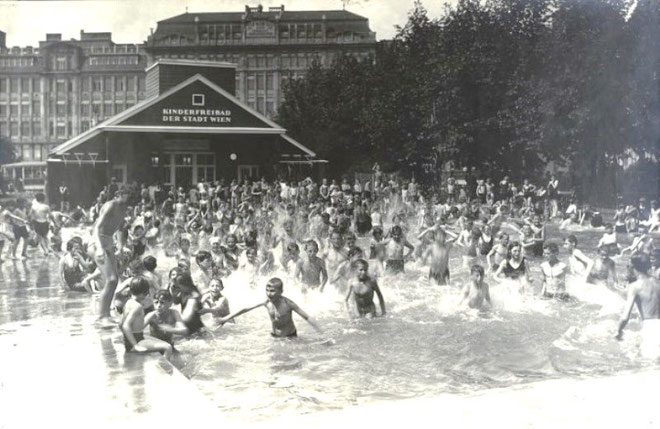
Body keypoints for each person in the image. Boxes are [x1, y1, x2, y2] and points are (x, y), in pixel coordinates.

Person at [218, 277, 322, 338]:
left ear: (281, 291)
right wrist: (225, 319)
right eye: (267, 290)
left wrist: (321, 333)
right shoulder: (266, 302)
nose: (269, 293)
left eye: (272, 291)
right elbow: (245, 309)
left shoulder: (288, 303)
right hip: (275, 336)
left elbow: (307, 317)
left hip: (290, 337)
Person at [92, 186, 130, 325]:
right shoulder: (111, 205)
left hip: (108, 241)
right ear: (118, 194)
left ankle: (106, 314)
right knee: (112, 280)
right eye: (126, 194)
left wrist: (121, 247)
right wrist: (99, 248)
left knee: (114, 281)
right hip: (98, 241)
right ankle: (101, 317)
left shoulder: (123, 208)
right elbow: (96, 227)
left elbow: (120, 229)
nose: (128, 197)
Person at [615, 254, 660, 358]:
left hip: (650, 327)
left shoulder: (635, 286)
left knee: (650, 366)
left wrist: (619, 331)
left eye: (629, 266)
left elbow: (625, 317)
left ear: (633, 267)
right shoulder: (658, 282)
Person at [120, 277, 173, 358]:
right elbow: (125, 326)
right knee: (168, 348)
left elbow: (121, 323)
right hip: (137, 341)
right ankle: (166, 369)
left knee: (160, 341)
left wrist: (126, 339)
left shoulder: (128, 302)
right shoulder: (138, 306)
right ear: (143, 293)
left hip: (133, 340)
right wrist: (135, 345)